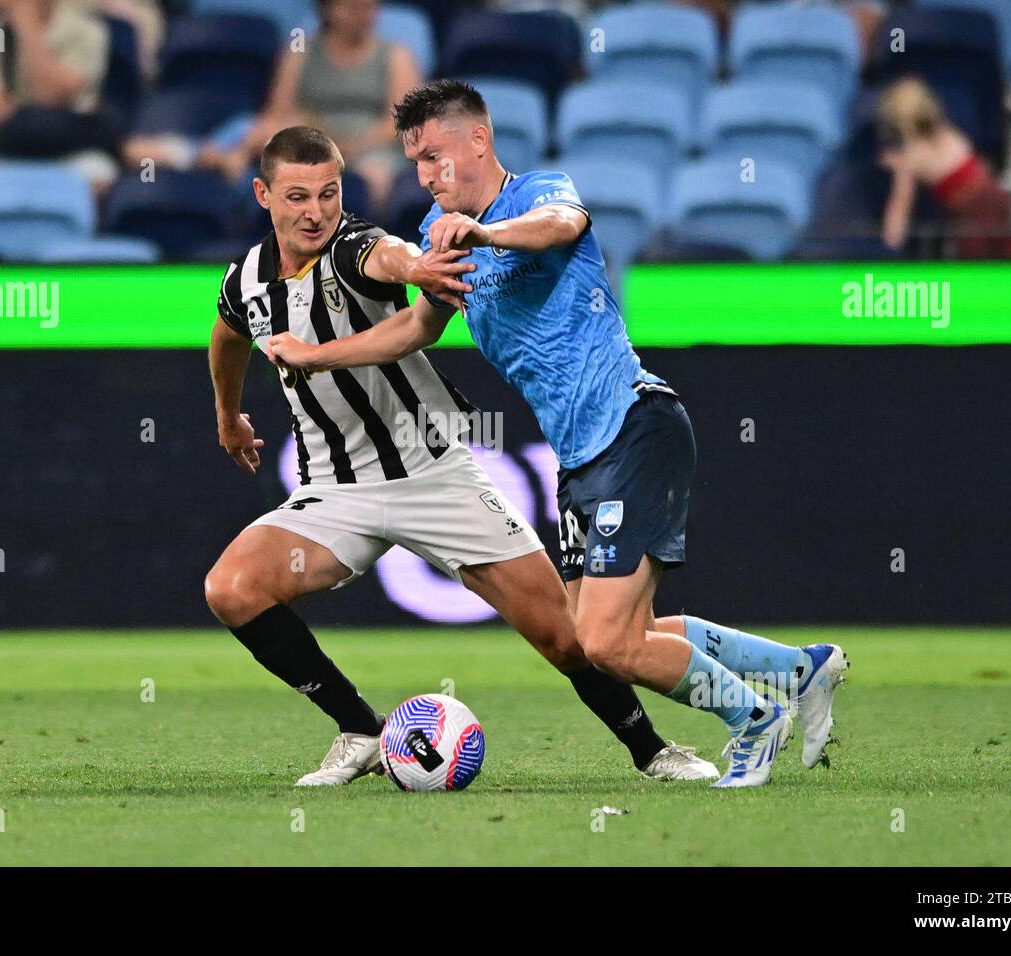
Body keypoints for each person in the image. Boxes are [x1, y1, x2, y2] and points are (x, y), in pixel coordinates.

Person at [266, 82, 850, 787]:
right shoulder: (437, 231)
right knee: (610, 637)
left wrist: (484, 233)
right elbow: (417, 327)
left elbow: (562, 225)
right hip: (580, 458)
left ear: (477, 141)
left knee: (604, 640)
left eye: (433, 156)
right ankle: (798, 670)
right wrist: (311, 355)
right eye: (414, 161)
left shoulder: (536, 192)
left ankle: (754, 718)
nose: (423, 175)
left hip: (631, 424)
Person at [205, 125, 719, 787]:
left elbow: (389, 258)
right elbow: (227, 335)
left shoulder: (353, 245)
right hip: (337, 490)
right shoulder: (246, 278)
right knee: (232, 588)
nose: (315, 212)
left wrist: (419, 267)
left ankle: (652, 749)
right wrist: (228, 416)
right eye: (298, 197)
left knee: (567, 636)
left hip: (433, 474)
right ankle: (359, 728)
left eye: (328, 194)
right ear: (263, 194)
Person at [195, 0, 419, 215]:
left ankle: (368, 241)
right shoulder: (299, 52)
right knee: (263, 135)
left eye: (370, 7)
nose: (364, 15)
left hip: (372, 148)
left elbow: (401, 121)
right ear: (328, 9)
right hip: (314, 138)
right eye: (353, 7)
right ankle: (229, 177)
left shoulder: (396, 55)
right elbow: (278, 111)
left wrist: (351, 147)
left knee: (375, 176)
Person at [0, 0, 117, 196]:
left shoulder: (83, 32)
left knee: (98, 174)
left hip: (69, 149)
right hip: (4, 153)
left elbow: (51, 95)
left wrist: (26, 25)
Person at [878, 76, 1011, 258]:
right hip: (995, 195)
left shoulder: (912, 156)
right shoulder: (948, 133)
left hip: (973, 213)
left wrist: (888, 245)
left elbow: (900, 206)